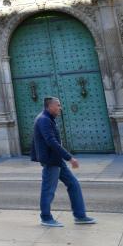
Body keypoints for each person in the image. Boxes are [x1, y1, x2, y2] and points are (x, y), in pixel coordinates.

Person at [30, 97, 96, 227]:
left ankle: (80, 216)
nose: (60, 108)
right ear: (49, 106)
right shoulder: (43, 120)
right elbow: (51, 141)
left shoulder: (48, 119)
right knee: (48, 190)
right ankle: (46, 218)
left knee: (73, 184)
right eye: (58, 105)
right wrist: (69, 157)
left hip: (57, 160)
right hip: (51, 160)